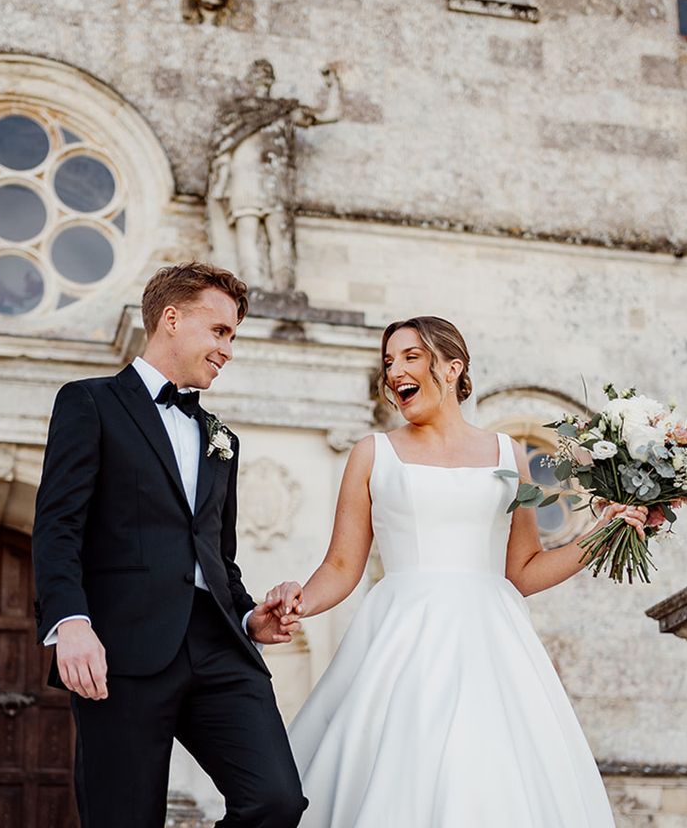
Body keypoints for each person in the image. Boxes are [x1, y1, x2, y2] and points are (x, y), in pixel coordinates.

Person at [267, 316, 648, 827]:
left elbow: (524, 571)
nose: (394, 372)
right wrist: (300, 602)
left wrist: (604, 533)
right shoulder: (371, 453)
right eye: (388, 362)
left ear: (452, 368)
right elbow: (341, 564)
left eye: (410, 357)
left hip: (492, 641)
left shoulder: (508, 453)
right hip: (401, 637)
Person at [32, 262, 308, 828]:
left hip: (220, 646)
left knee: (276, 800)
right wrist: (71, 623)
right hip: (122, 647)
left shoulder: (222, 439)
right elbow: (58, 526)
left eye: (233, 336)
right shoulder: (89, 403)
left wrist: (249, 615)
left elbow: (219, 555)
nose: (228, 349)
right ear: (172, 319)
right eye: (220, 331)